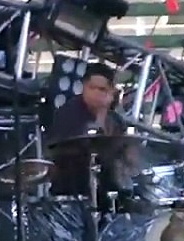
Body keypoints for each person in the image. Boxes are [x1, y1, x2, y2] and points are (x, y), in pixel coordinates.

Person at [46, 65, 130, 198]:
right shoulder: (68, 113)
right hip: (73, 188)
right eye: (91, 88)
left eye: (102, 89)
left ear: (111, 92)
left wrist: (103, 111)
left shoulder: (115, 120)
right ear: (84, 87)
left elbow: (125, 153)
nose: (95, 93)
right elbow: (67, 150)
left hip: (105, 187)